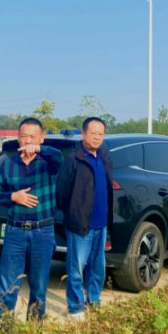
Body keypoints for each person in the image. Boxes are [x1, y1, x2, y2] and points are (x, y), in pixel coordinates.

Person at [0, 117, 63, 327]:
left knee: (38, 289)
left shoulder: (49, 163)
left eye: (33, 136)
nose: (28, 140)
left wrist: (39, 149)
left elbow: (58, 156)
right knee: (7, 289)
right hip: (15, 232)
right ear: (18, 137)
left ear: (41, 138)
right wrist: (14, 196)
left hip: (43, 232)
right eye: (24, 136)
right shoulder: (8, 164)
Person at [56, 117, 113, 320]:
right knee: (76, 268)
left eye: (100, 134)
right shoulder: (74, 158)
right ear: (83, 133)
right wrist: (72, 213)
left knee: (97, 268)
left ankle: (94, 302)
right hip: (80, 223)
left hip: (101, 224)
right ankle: (76, 308)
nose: (96, 137)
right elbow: (61, 191)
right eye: (92, 133)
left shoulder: (103, 157)